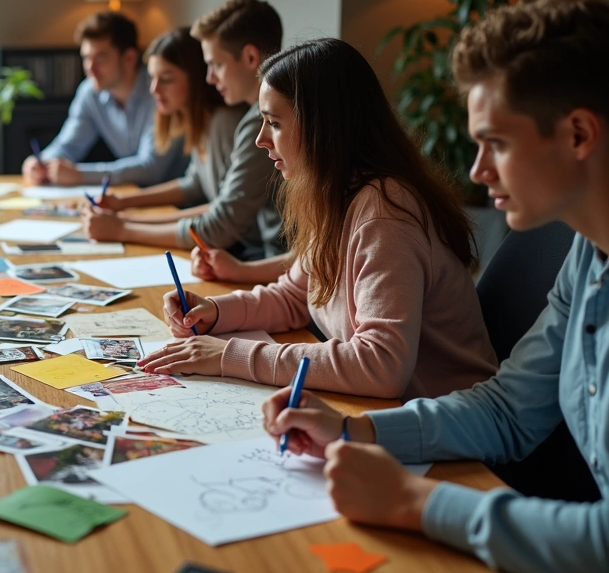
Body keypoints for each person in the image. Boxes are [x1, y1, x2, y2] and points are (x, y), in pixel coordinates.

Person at [261, 0, 609, 573]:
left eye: (495, 142)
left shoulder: (384, 208)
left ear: (578, 134)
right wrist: (355, 430)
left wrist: (413, 502)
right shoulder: (586, 256)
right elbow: (507, 409)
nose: (476, 171)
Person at [141, 38, 498, 401]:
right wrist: (214, 311)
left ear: (323, 128)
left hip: (444, 427)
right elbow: (296, 297)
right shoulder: (338, 192)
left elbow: (381, 365)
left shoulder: (386, 215)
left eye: (274, 123)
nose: (261, 140)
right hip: (389, 408)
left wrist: (229, 356)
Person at [80, 27, 281, 258]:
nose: (154, 89)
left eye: (166, 79)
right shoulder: (201, 124)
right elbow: (193, 184)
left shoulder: (224, 124)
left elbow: (221, 215)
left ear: (196, 79)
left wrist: (123, 227)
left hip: (245, 252)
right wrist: (123, 207)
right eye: (152, 78)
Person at [187, 0, 293, 278]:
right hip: (276, 274)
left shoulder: (259, 123)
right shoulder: (254, 120)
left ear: (250, 57)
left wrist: (123, 226)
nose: (209, 78)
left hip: (276, 275)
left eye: (216, 64)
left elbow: (220, 225)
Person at [22, 11, 186, 187]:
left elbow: (150, 169)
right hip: (132, 196)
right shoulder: (90, 92)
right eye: (86, 57)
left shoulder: (160, 92)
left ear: (129, 58)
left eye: (101, 57)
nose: (90, 68)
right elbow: (68, 145)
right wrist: (41, 164)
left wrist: (80, 175)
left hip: (173, 201)